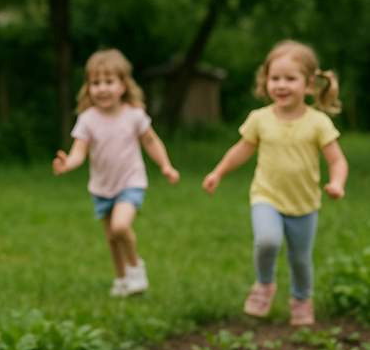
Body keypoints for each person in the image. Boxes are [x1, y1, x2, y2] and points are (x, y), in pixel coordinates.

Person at [202, 40, 349, 326]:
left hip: (305, 204)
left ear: (308, 85)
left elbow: (337, 160)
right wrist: (218, 172)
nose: (281, 85)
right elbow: (241, 149)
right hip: (266, 196)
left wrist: (338, 183)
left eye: (290, 79)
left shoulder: (317, 123)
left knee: (300, 260)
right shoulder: (260, 119)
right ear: (265, 81)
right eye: (275, 78)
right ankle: (264, 285)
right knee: (267, 241)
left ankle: (301, 299)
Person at [52, 49, 179, 297]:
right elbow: (79, 151)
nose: (102, 88)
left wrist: (165, 165)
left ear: (123, 85)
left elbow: (151, 141)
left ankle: (135, 268)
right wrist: (68, 164)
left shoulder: (134, 115)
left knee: (121, 227)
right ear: (88, 88)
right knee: (111, 238)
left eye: (109, 82)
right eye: (95, 83)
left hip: (131, 182)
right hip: (101, 187)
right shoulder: (88, 119)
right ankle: (121, 280)